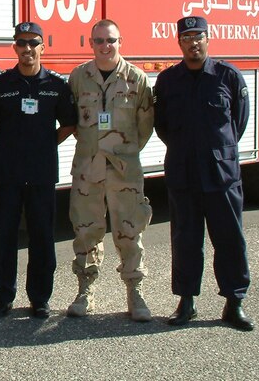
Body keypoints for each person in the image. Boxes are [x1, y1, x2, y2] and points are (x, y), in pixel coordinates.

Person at [154, 16, 254, 331]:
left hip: (221, 174)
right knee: (185, 239)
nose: (193, 43)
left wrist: (217, 151)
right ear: (179, 42)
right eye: (187, 38)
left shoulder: (228, 77)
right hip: (184, 173)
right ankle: (186, 301)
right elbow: (163, 126)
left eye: (198, 37)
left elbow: (238, 122)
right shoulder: (168, 81)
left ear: (208, 39)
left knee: (229, 238)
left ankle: (234, 302)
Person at [0, 22, 77, 318]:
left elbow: (70, 125)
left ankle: (40, 298)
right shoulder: (1, 84)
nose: (27, 49)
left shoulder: (57, 86)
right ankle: (3, 297)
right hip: (8, 171)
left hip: (41, 172)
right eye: (21, 43)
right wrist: (12, 144)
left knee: (42, 237)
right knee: (6, 237)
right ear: (14, 48)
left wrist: (46, 144)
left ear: (42, 47)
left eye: (33, 43)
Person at [66, 19, 154, 321]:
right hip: (88, 170)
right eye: (99, 41)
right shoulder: (79, 78)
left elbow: (144, 127)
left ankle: (135, 291)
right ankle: (85, 291)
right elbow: (76, 123)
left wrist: (122, 152)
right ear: (91, 43)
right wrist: (95, 147)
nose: (106, 46)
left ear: (121, 42)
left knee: (129, 231)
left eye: (111, 40)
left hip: (124, 172)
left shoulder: (136, 79)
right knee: (86, 230)